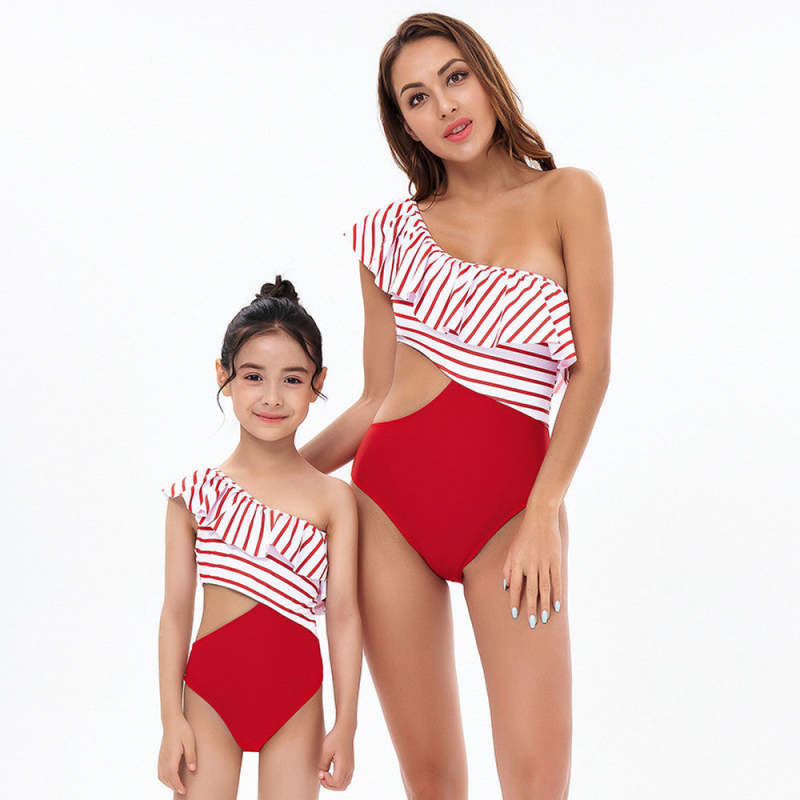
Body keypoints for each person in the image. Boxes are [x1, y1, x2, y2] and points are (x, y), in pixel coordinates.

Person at [300, 12, 612, 800]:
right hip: (387, 511)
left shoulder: (569, 197)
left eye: (453, 78)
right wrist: (275, 476)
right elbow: (374, 399)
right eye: (416, 98)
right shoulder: (389, 235)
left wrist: (544, 512)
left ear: (485, 75)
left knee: (537, 780)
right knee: (432, 782)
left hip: (514, 513)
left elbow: (593, 371)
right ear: (404, 124)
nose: (443, 106)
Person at [157, 276, 362, 799]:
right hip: (209, 698)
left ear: (318, 383)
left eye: (292, 379)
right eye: (253, 376)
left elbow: (343, 615)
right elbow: (175, 612)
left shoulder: (334, 500)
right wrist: (170, 720)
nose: (272, 397)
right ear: (224, 376)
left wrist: (347, 723)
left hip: (297, 702)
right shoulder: (194, 496)